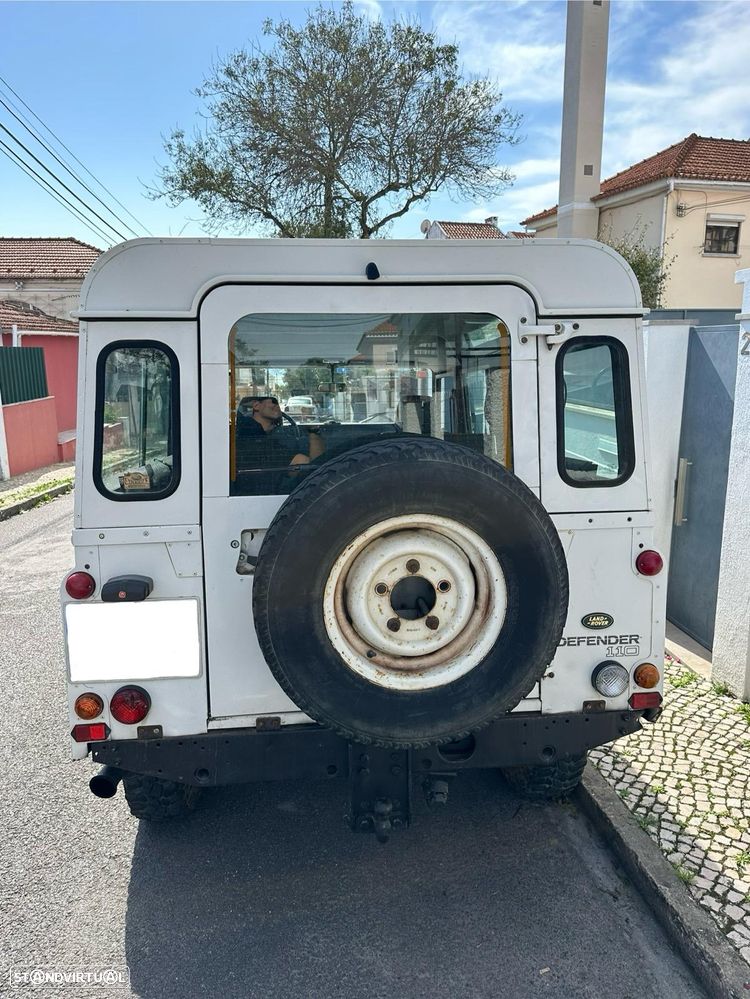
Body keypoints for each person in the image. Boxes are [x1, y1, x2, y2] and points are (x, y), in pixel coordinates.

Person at [235, 395, 324, 473]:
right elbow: (312, 468)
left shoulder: (271, 436)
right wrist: (313, 431)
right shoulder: (249, 434)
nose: (277, 406)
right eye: (273, 402)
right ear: (256, 406)